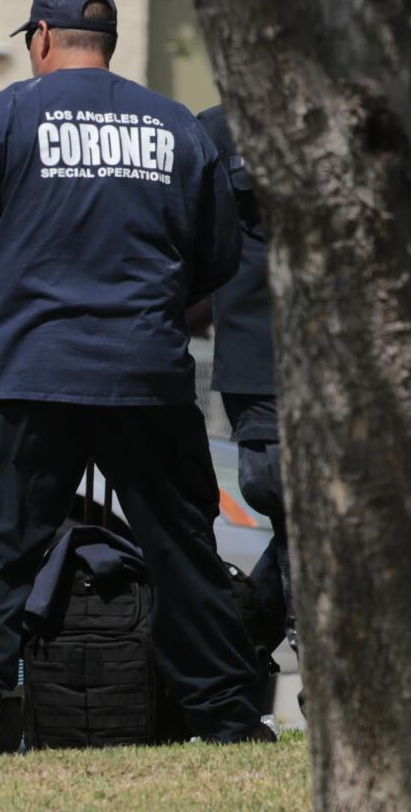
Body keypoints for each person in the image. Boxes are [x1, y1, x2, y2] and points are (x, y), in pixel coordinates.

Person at [0, 0, 273, 760]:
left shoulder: (9, 113)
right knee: (183, 552)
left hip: (29, 372)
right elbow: (217, 251)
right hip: (143, 374)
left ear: (41, 38)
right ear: (104, 44)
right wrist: (157, 305)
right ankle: (227, 718)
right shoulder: (175, 125)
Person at [197, 105, 297, 666]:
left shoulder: (373, 115)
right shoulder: (216, 132)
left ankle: (227, 660)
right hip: (267, 373)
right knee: (298, 514)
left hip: (360, 372)